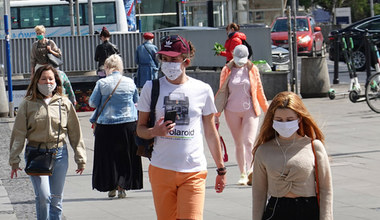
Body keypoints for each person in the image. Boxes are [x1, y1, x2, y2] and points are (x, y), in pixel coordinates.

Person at [136, 35, 227, 220]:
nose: (169, 64)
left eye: (174, 59)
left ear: (186, 61)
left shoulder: (202, 89)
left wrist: (221, 169)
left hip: (193, 171)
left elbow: (210, 131)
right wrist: (155, 131)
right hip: (161, 169)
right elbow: (140, 129)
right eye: (165, 59)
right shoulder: (150, 88)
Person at [9, 65, 87, 220]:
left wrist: (80, 158)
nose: (47, 82)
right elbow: (18, 133)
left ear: (56, 81)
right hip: (36, 154)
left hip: (59, 155)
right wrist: (14, 159)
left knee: (56, 200)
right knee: (44, 196)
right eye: (43, 79)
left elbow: (75, 133)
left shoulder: (64, 103)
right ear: (37, 81)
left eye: (50, 79)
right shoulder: (27, 103)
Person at [251, 91, 333, 220]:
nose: (284, 124)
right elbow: (259, 193)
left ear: (299, 118)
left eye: (289, 120)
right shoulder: (263, 151)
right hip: (276, 210)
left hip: (308, 210)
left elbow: (326, 189)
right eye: (279, 120)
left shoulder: (314, 146)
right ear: (272, 120)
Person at [89, 54, 143, 198]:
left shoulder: (102, 83)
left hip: (106, 125)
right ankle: (122, 186)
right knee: (125, 156)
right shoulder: (130, 82)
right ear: (120, 67)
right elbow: (136, 101)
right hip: (128, 124)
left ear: (106, 67)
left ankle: (110, 185)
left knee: (108, 157)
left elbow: (92, 103)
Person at [215, 44, 269, 186]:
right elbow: (222, 91)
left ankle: (251, 170)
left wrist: (267, 110)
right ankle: (242, 172)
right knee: (238, 143)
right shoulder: (226, 70)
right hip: (231, 110)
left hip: (250, 109)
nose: (240, 61)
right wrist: (216, 114)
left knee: (249, 142)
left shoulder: (252, 69)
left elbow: (259, 91)